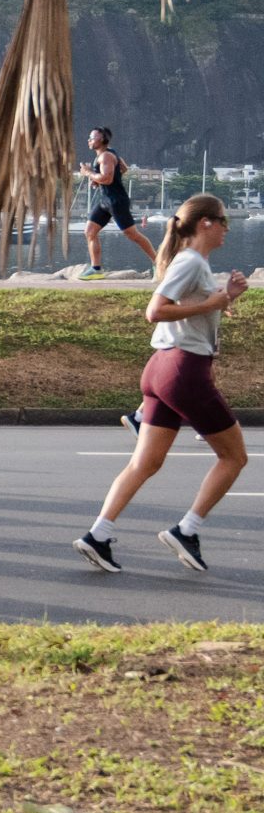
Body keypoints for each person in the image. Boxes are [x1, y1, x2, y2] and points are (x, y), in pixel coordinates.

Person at [75, 193, 250, 573]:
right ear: (205, 222)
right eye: (224, 221)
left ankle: (97, 536)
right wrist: (213, 303)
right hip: (183, 372)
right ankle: (187, 530)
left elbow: (194, 318)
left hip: (162, 369)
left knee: (145, 462)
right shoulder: (190, 261)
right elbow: (155, 311)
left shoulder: (194, 262)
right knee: (235, 457)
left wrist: (226, 298)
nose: (226, 229)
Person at [79, 126, 161, 278]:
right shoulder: (105, 155)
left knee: (132, 234)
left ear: (102, 139)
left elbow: (108, 178)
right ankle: (96, 269)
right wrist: (99, 180)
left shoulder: (106, 156)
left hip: (116, 201)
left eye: (92, 137)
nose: (88, 140)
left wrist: (89, 173)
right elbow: (123, 168)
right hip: (105, 201)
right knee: (90, 232)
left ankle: (158, 263)